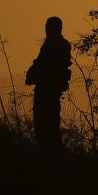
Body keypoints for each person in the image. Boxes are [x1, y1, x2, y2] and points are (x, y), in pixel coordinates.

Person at [25, 16, 72, 151]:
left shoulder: (56, 45)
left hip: (48, 91)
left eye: (49, 27)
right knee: (46, 126)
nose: (47, 30)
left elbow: (49, 66)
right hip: (47, 90)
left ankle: (50, 156)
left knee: (46, 126)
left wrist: (37, 71)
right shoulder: (56, 44)